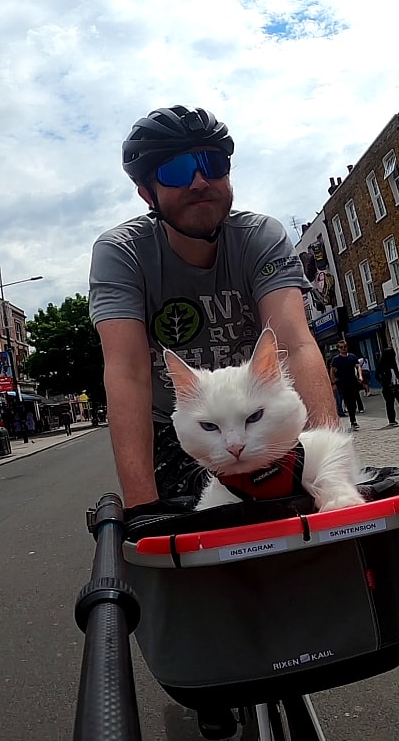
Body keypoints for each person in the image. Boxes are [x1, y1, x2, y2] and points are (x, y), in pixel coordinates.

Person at [89, 105, 337, 507]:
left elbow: (295, 344)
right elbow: (128, 372)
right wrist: (141, 506)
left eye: (213, 163)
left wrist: (328, 469)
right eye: (176, 171)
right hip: (187, 430)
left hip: (259, 414)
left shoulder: (262, 237)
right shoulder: (122, 253)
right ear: (146, 193)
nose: (200, 181)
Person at [329, 340, 363, 431]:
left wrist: (360, 376)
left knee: (354, 401)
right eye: (341, 347)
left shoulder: (352, 357)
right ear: (338, 349)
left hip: (353, 382)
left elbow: (358, 366)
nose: (344, 349)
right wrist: (333, 383)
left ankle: (353, 418)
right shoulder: (336, 359)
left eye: (345, 346)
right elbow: (332, 371)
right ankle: (353, 421)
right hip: (343, 384)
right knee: (348, 402)